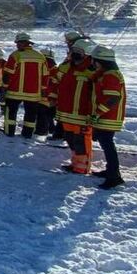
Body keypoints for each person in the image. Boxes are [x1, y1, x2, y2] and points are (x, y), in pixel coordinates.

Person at [50, 38, 97, 173]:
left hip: (82, 114)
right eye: (74, 51)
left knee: (81, 141)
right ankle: (75, 163)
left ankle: (83, 167)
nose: (74, 54)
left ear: (87, 54)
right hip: (65, 111)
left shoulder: (93, 71)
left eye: (79, 52)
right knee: (70, 138)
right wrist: (52, 96)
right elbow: (54, 79)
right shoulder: (66, 67)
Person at [89, 45, 127, 190]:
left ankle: (114, 176)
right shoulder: (108, 73)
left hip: (108, 117)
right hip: (106, 116)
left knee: (108, 145)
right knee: (106, 144)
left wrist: (97, 113)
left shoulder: (111, 75)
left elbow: (112, 99)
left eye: (94, 60)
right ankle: (110, 171)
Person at [3, 33, 48, 138]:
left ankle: (9, 132)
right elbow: (45, 75)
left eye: (18, 43)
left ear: (23, 43)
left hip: (14, 92)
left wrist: (4, 87)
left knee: (11, 113)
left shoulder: (15, 55)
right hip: (33, 93)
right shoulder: (40, 56)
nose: (17, 45)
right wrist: (43, 89)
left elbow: (7, 73)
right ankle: (27, 134)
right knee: (31, 115)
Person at [37, 48, 58, 138]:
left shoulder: (43, 68)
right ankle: (51, 129)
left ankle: (42, 131)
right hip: (52, 98)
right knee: (48, 115)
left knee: (43, 115)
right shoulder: (56, 70)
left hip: (45, 97)